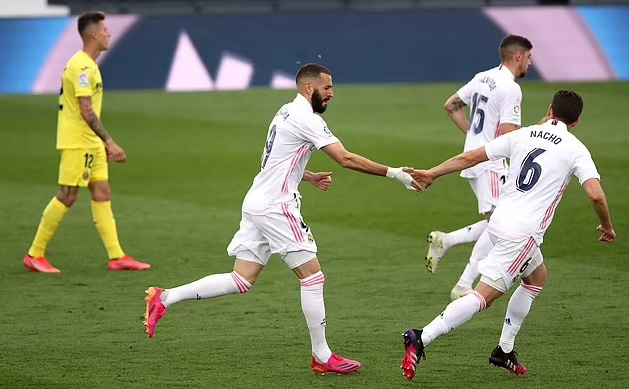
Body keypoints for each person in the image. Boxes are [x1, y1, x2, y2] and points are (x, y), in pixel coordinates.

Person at [144, 63, 420, 374]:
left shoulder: (286, 111)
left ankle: (165, 297)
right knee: (313, 277)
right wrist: (394, 173)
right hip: (277, 206)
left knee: (241, 279)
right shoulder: (306, 118)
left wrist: (308, 175)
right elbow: (346, 158)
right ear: (308, 88)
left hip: (257, 201)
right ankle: (322, 356)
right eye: (327, 88)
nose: (331, 93)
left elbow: (272, 160)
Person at [401, 90, 615, 380]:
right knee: (483, 297)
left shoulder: (524, 134)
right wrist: (607, 226)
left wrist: (433, 173)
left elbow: (471, 157)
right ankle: (421, 337)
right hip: (522, 234)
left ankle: (504, 350)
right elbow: (596, 195)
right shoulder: (576, 148)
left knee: (536, 278)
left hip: (499, 222)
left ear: (549, 110)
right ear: (576, 122)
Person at [22, 11, 150, 273]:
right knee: (67, 196)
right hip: (77, 142)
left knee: (102, 192)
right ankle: (35, 254)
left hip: (90, 142)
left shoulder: (89, 65)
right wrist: (110, 141)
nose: (108, 34)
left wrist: (100, 143)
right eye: (104, 30)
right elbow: (86, 110)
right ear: (93, 34)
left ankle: (117, 256)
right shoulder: (81, 66)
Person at [425, 35, 533, 300]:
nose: (530, 62)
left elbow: (451, 105)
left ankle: (446, 241)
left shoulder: (482, 77)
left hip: (477, 158)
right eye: (529, 57)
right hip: (491, 163)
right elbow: (509, 134)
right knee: (500, 222)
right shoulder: (510, 88)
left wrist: (473, 139)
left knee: (498, 219)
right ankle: (463, 283)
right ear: (518, 56)